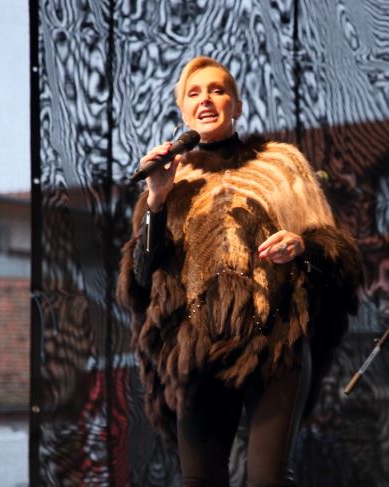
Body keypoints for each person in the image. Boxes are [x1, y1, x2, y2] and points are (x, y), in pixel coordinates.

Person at [117, 56, 362, 487]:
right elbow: (139, 279)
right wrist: (156, 199)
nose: (205, 99)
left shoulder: (280, 164)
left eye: (218, 90)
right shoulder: (171, 181)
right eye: (194, 93)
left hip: (275, 340)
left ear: (237, 106)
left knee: (267, 479)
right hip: (196, 349)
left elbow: (338, 254)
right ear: (182, 111)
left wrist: (301, 245)